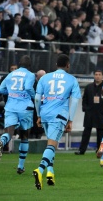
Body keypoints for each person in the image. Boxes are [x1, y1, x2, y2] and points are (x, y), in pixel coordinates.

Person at [33, 54, 81, 190]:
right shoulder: (71, 79)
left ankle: (50, 173)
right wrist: (70, 119)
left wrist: (39, 115)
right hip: (59, 115)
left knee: (50, 143)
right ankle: (40, 170)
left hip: (45, 114)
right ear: (68, 65)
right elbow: (75, 101)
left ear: (56, 65)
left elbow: (37, 98)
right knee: (52, 145)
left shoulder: (45, 78)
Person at [0, 55, 35, 175]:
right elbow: (28, 88)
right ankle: (20, 166)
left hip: (11, 107)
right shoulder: (30, 75)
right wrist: (35, 96)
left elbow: (1, 90)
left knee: (9, 132)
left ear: (18, 64)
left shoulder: (11, 74)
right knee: (24, 136)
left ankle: (2, 141)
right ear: (29, 66)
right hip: (25, 108)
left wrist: (13, 92)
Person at [75, 70, 103, 155]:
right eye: (96, 74)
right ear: (94, 76)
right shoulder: (89, 87)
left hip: (101, 113)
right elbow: (84, 99)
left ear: (102, 76)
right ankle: (81, 150)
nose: (97, 76)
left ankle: (100, 150)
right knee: (86, 132)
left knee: (101, 133)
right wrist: (85, 109)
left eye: (99, 74)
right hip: (90, 112)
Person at [30, 70, 46, 139]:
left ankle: (39, 134)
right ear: (38, 76)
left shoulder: (46, 85)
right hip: (33, 107)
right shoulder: (32, 84)